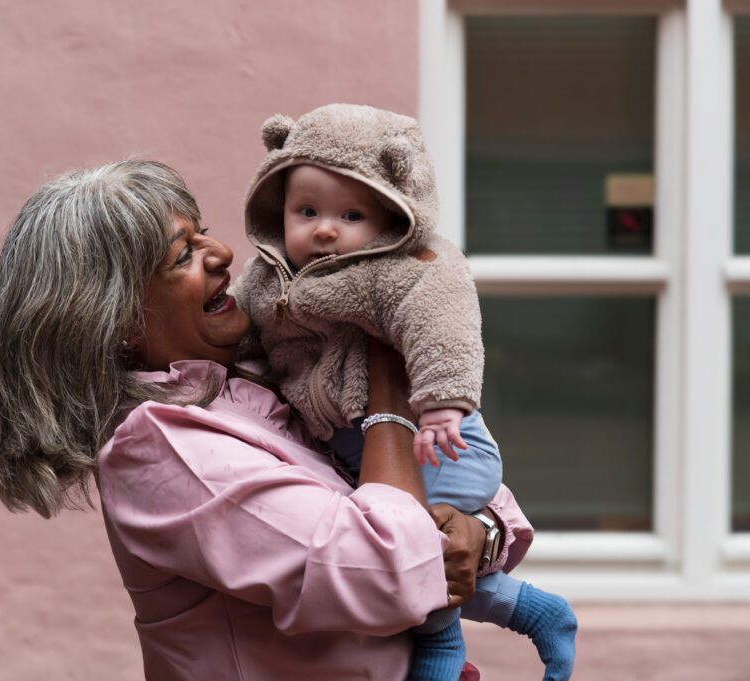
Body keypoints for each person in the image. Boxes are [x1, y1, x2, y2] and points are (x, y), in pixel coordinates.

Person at [0, 159, 536, 681]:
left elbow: (472, 503)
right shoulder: (160, 449)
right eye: (183, 254)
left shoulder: (261, 379)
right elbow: (388, 572)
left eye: (202, 228)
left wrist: (478, 534)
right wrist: (388, 388)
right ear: (116, 319)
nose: (222, 252)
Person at [234, 104, 577, 681]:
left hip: (439, 441)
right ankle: (539, 612)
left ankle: (442, 648)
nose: (324, 228)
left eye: (351, 214)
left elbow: (442, 319)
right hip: (359, 448)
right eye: (306, 211)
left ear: (392, 216)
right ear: (278, 210)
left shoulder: (402, 267)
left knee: (411, 548)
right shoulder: (266, 278)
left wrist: (442, 398)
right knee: (428, 555)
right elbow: (243, 328)